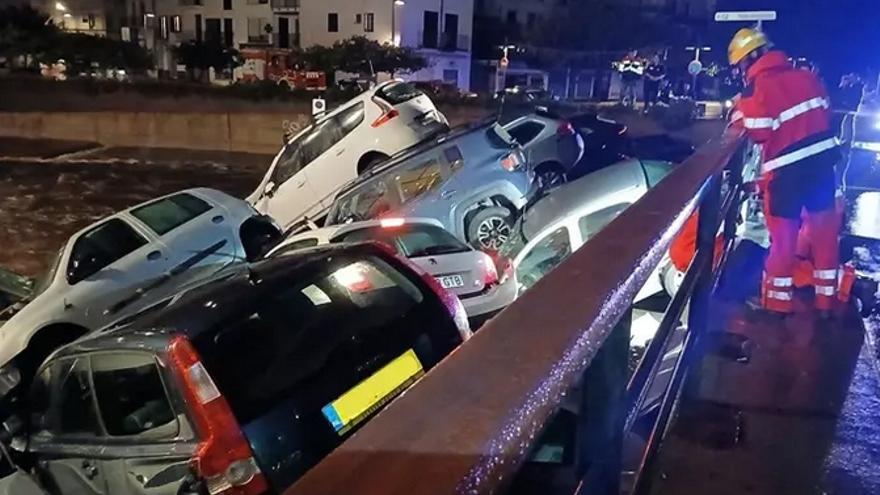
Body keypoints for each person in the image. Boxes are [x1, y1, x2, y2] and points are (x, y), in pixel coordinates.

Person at [728, 28, 841, 317]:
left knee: (783, 244)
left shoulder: (756, 90)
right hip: (822, 168)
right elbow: (825, 113)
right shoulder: (807, 76)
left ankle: (777, 307)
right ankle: (826, 305)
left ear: (749, 60)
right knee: (825, 237)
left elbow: (761, 132)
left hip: (786, 177)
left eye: (740, 65)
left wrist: (740, 110)